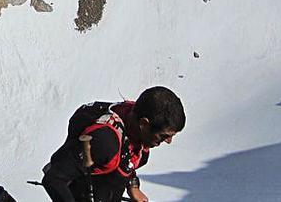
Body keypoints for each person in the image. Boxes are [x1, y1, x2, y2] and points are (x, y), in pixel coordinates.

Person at [40, 86, 185, 202]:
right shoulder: (105, 142)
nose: (168, 141)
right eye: (164, 136)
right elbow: (53, 178)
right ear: (144, 124)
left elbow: (126, 156)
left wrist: (132, 185)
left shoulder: (134, 123)